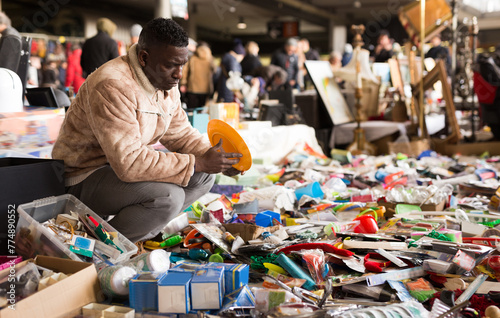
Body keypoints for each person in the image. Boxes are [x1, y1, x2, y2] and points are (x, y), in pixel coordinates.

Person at [52, 18, 242, 243]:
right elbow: (129, 163)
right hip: (83, 177)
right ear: (144, 58)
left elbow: (181, 134)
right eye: (171, 65)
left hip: (116, 171)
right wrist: (197, 162)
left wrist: (219, 159)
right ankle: (102, 247)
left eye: (182, 65)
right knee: (168, 197)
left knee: (204, 176)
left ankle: (142, 228)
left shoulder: (164, 84)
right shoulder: (112, 85)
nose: (179, 74)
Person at [180, 42, 216, 109]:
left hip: (192, 88)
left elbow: (184, 71)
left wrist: (183, 83)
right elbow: (215, 70)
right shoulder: (210, 58)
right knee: (201, 109)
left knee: (191, 109)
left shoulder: (192, 58)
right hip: (205, 88)